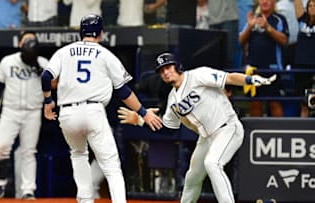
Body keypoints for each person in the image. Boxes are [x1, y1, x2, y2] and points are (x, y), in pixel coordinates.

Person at [117, 52, 277, 203]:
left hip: (228, 127)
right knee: (192, 177)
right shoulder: (172, 100)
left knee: (212, 163)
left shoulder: (198, 75)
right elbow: (168, 129)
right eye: (161, 71)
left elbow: (229, 78)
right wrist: (140, 120)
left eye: (168, 67)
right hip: (206, 137)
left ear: (177, 66)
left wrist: (249, 80)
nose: (166, 72)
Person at [41, 14, 162, 203]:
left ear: (81, 32)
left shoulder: (64, 52)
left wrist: (48, 102)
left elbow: (46, 77)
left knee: (78, 155)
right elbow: (123, 91)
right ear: (100, 33)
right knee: (111, 166)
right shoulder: (106, 54)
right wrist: (143, 113)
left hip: (67, 113)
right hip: (92, 110)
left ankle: (85, 200)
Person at [0, 31, 48, 200]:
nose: (30, 41)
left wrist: (38, 68)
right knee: (1, 146)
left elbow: (54, 85)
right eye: (26, 39)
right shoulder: (8, 61)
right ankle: (0, 183)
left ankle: (28, 190)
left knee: (28, 151)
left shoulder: (43, 63)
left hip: (32, 111)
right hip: (10, 110)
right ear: (20, 44)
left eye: (33, 39)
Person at [239, 0, 289, 117]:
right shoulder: (253, 18)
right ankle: (256, 133)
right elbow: (241, 41)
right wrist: (249, 27)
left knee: (274, 103)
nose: (265, 1)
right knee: (255, 103)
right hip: (253, 70)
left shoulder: (279, 19)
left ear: (273, 2)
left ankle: (280, 133)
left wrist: (268, 27)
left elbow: (284, 40)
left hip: (273, 69)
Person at [293, 0, 315, 116]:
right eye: (310, 5)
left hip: (313, 66)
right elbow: (297, 3)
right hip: (301, 65)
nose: (312, 8)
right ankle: (303, 126)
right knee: (303, 102)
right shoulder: (302, 19)